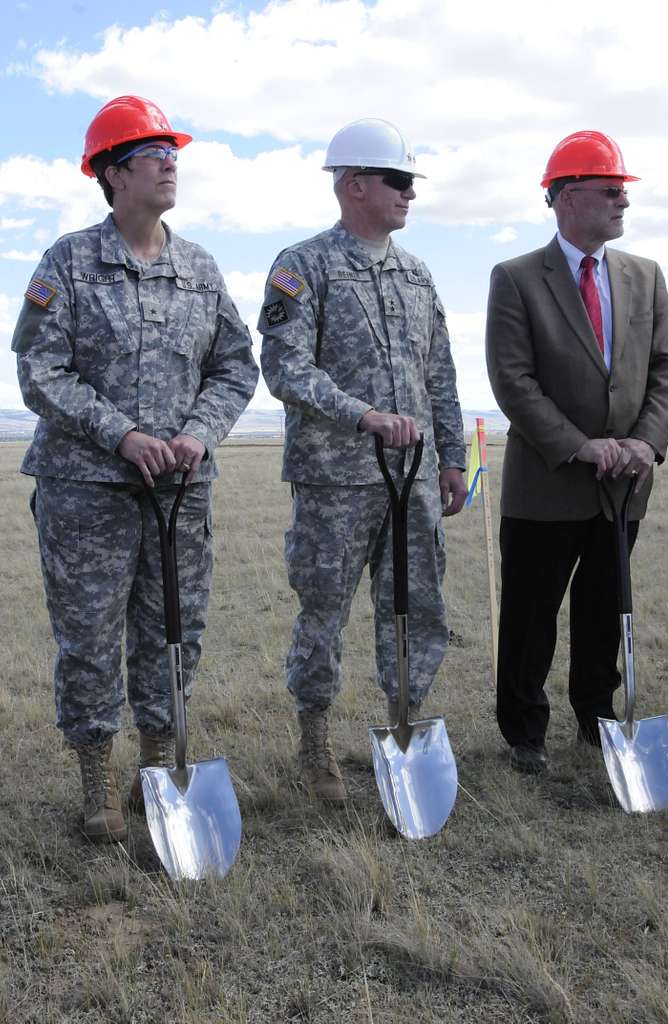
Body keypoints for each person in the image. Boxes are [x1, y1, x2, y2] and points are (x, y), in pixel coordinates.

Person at [11, 95, 258, 841]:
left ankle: (159, 770)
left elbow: (235, 368)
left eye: (173, 152)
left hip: (179, 493)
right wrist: (121, 434)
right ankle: (95, 787)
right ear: (112, 174)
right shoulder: (70, 262)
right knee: (88, 638)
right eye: (152, 153)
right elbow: (40, 370)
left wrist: (198, 434)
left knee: (171, 632)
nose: (169, 162)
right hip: (87, 492)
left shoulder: (201, 269)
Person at [258, 118, 466, 802]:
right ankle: (314, 744)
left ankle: (405, 728)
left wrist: (453, 458)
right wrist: (363, 415)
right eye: (397, 180)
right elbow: (285, 367)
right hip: (334, 480)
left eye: (411, 182)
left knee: (419, 609)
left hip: (413, 482)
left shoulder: (417, 274)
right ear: (354, 186)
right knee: (323, 613)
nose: (410, 193)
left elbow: (439, 372)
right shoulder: (304, 266)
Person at [485, 130, 668, 774]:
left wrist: (644, 442)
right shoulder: (515, 278)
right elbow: (513, 379)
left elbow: (667, 368)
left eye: (623, 191)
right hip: (547, 483)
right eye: (610, 190)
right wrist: (580, 446)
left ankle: (597, 719)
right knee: (531, 614)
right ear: (568, 197)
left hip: (623, 484)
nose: (622, 202)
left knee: (605, 608)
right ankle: (524, 733)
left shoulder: (645, 276)